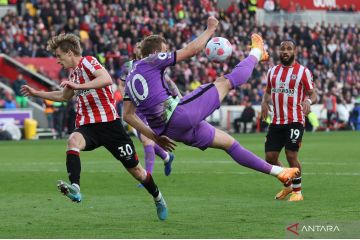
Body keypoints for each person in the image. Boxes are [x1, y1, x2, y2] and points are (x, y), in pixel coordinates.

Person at [123, 16, 300, 199]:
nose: (166, 54)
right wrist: (210, 29)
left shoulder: (129, 77)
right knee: (225, 82)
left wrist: (154, 137)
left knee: (229, 144)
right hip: (178, 115)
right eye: (165, 51)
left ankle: (279, 172)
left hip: (168, 131)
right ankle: (257, 52)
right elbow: (192, 50)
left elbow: (127, 115)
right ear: (157, 52)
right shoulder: (152, 61)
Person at [21, 33, 171, 221]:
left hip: (110, 126)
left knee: (138, 172)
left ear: (69, 53)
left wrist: (77, 85)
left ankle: (158, 197)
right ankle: (75, 187)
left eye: (59, 56)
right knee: (73, 141)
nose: (58, 61)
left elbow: (106, 79)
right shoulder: (73, 74)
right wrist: (37, 93)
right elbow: (64, 96)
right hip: (88, 126)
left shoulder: (88, 62)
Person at [261, 39, 317, 201]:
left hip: (295, 120)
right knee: (270, 158)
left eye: (289, 49)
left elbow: (313, 94)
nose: (285, 52)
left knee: (291, 155)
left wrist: (308, 101)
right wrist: (264, 102)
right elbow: (268, 91)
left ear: (295, 52)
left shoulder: (303, 71)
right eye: (282, 49)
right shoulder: (272, 71)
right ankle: (288, 186)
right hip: (277, 121)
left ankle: (297, 192)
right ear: (279, 52)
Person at [119, 42, 175, 181]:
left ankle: (147, 177)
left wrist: (178, 95)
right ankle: (167, 157)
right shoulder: (128, 66)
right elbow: (121, 84)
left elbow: (168, 81)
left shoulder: (152, 63)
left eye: (140, 47)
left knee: (146, 141)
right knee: (147, 141)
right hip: (133, 111)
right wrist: (126, 98)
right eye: (137, 47)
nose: (138, 49)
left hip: (147, 108)